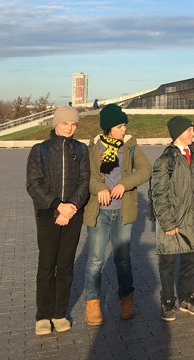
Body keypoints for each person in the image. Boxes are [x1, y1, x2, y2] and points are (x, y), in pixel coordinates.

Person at [83, 104, 151, 325]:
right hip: (99, 212)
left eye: (124, 126)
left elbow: (145, 170)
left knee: (122, 260)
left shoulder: (130, 145)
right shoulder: (94, 146)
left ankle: (126, 300)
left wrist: (124, 184)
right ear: (108, 127)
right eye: (120, 126)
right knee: (96, 260)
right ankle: (92, 303)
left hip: (122, 212)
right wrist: (100, 188)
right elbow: (87, 175)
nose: (124, 130)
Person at [26, 106, 90, 336]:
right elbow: (34, 183)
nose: (69, 128)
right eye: (65, 123)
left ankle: (59, 313)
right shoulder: (40, 150)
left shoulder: (81, 149)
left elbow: (84, 182)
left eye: (73, 124)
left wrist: (70, 207)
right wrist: (57, 205)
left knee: (65, 266)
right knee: (46, 266)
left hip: (73, 215)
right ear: (56, 124)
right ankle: (43, 316)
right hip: (47, 215)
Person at [151, 116, 194, 322]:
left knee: (190, 260)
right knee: (168, 261)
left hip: (193, 218)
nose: (193, 134)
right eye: (189, 131)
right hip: (172, 220)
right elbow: (158, 193)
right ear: (179, 133)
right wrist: (168, 222)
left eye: (193, 130)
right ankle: (168, 300)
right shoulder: (165, 160)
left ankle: (187, 297)